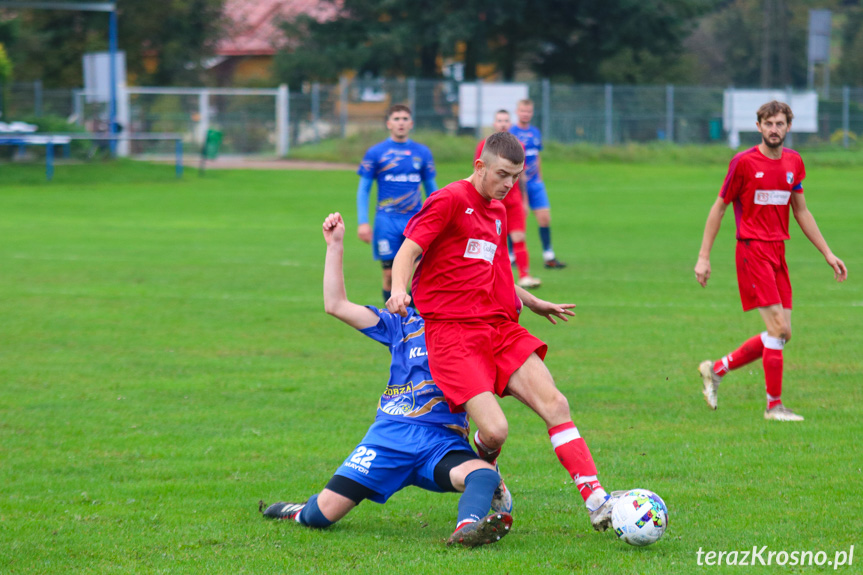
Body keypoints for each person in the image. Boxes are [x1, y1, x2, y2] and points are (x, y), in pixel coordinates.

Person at [386, 132, 620, 531]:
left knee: (556, 404)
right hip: (453, 336)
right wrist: (397, 290)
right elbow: (408, 250)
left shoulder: (498, 210)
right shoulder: (449, 200)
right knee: (494, 431)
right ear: (480, 167)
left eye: (516, 176)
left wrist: (531, 300)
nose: (509, 184)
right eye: (503, 175)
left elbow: (491, 270)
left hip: (498, 328)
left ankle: (599, 502)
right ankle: (485, 469)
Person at [261, 212, 512, 548]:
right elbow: (335, 305)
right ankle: (298, 509)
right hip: (389, 438)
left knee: (482, 475)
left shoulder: (473, 324)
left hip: (441, 441)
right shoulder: (402, 321)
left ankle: (468, 528)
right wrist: (335, 245)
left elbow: (496, 283)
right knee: (320, 516)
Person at [694, 100, 847, 422]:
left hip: (778, 251)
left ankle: (717, 368)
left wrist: (828, 253)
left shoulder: (794, 162)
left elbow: (801, 211)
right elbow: (719, 207)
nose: (774, 129)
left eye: (779, 124)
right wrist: (703, 257)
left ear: (788, 127)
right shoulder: (744, 163)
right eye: (768, 124)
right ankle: (773, 407)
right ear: (759, 126)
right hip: (752, 250)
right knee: (777, 329)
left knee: (783, 332)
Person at [356, 105, 437, 304]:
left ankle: (412, 318)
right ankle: (396, 319)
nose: (401, 122)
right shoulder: (376, 153)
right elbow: (363, 190)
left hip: (416, 221)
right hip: (386, 221)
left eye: (404, 118)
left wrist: (439, 219)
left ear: (411, 123)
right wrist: (363, 222)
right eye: (397, 118)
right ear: (389, 123)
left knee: (419, 273)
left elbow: (432, 190)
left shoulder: (422, 153)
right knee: (390, 276)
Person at [476, 110, 541, 289]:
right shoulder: (484, 145)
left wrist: (525, 201)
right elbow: (478, 174)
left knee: (519, 236)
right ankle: (492, 278)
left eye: (506, 120)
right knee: (494, 241)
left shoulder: (518, 146)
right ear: (494, 124)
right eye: (499, 120)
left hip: (513, 201)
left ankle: (524, 276)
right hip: (493, 201)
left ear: (510, 123)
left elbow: (522, 176)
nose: (503, 124)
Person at [509, 99, 565, 269]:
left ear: (532, 113)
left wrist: (539, 177)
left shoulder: (535, 132)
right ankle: (510, 256)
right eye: (523, 111)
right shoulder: (512, 133)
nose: (525, 114)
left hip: (535, 184)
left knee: (545, 218)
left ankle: (549, 255)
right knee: (515, 222)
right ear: (517, 112)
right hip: (518, 185)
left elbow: (537, 155)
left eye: (529, 111)